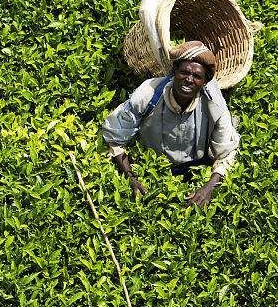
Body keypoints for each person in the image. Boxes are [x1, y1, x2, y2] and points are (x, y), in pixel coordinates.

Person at [101, 41, 240, 207]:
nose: (189, 79)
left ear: (205, 82)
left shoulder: (214, 105)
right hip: (152, 164)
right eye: (184, 72)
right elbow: (115, 136)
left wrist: (208, 188)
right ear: (174, 72)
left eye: (197, 76)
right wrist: (131, 177)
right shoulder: (148, 94)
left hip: (196, 164)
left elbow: (227, 152)